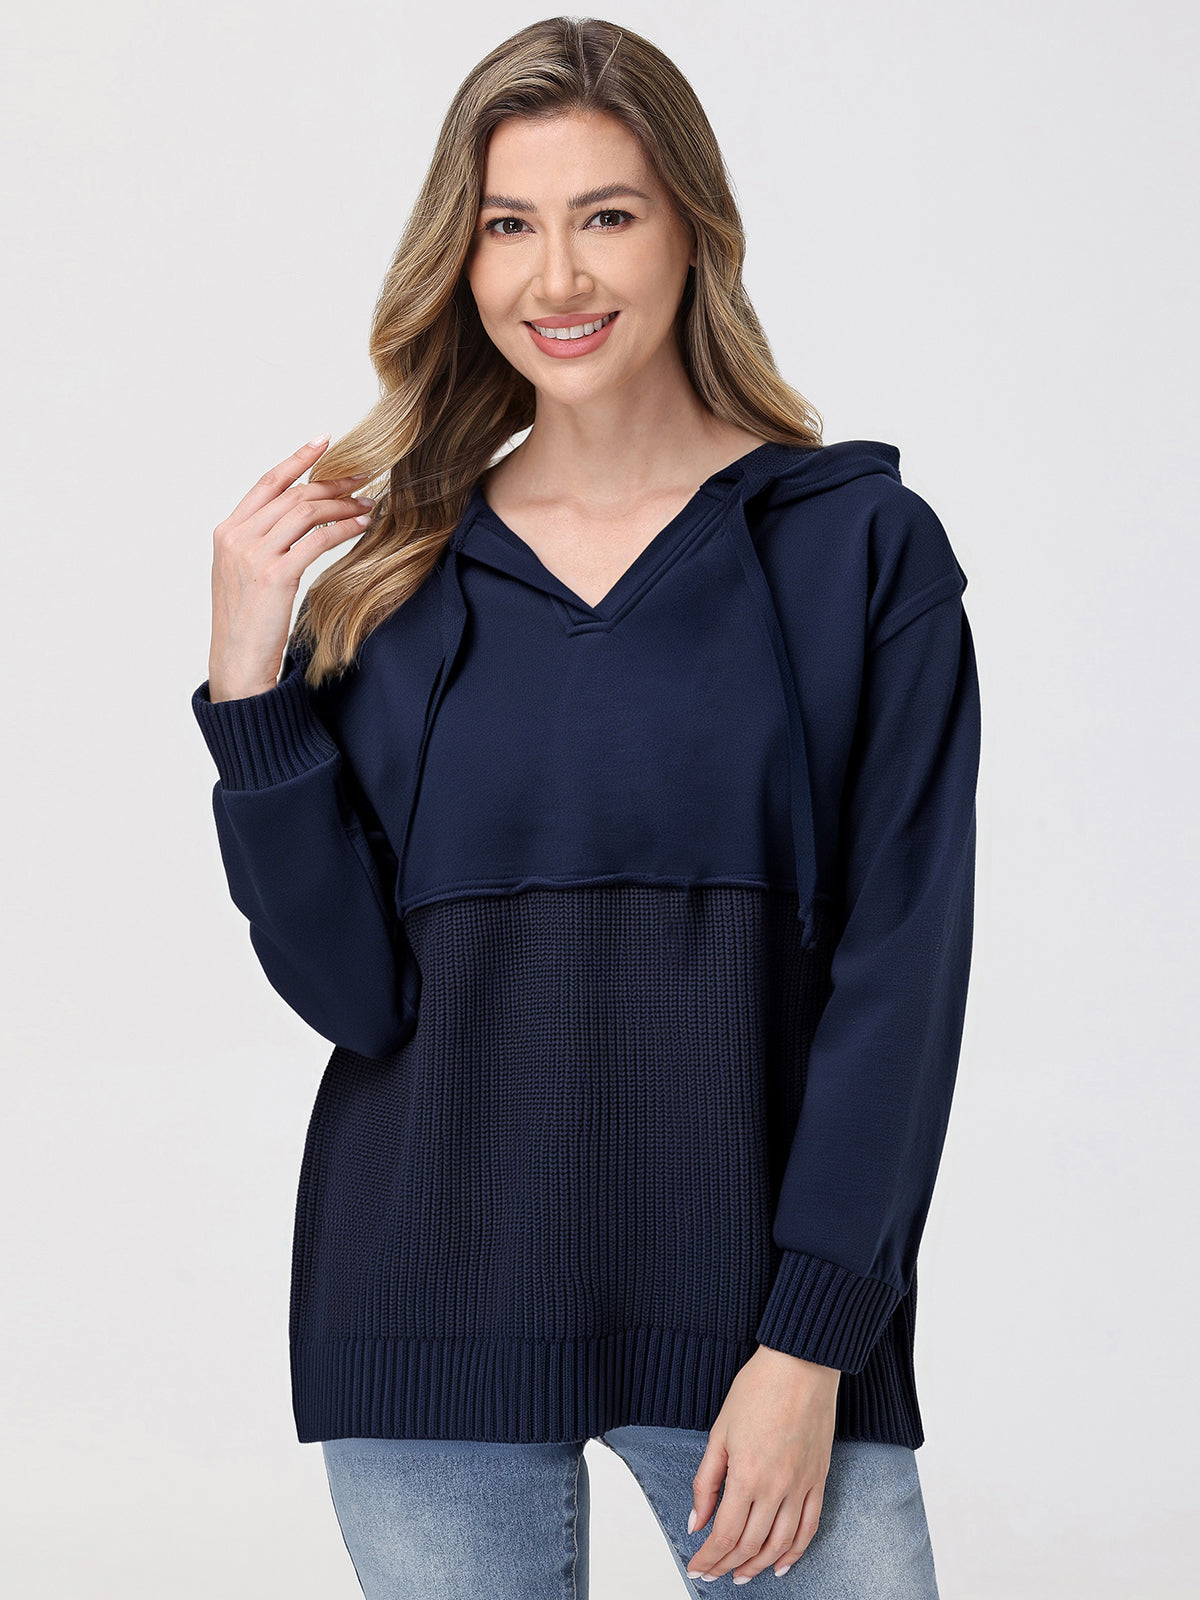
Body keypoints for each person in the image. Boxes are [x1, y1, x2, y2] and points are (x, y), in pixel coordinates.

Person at [190, 16, 980, 1597]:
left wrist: (811, 1344)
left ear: (693, 230)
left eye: (606, 215)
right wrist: (249, 680)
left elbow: (901, 974)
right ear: (463, 257)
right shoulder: (398, 584)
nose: (557, 276)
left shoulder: (855, 550)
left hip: (759, 1335)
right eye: (508, 225)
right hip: (426, 1321)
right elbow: (355, 999)